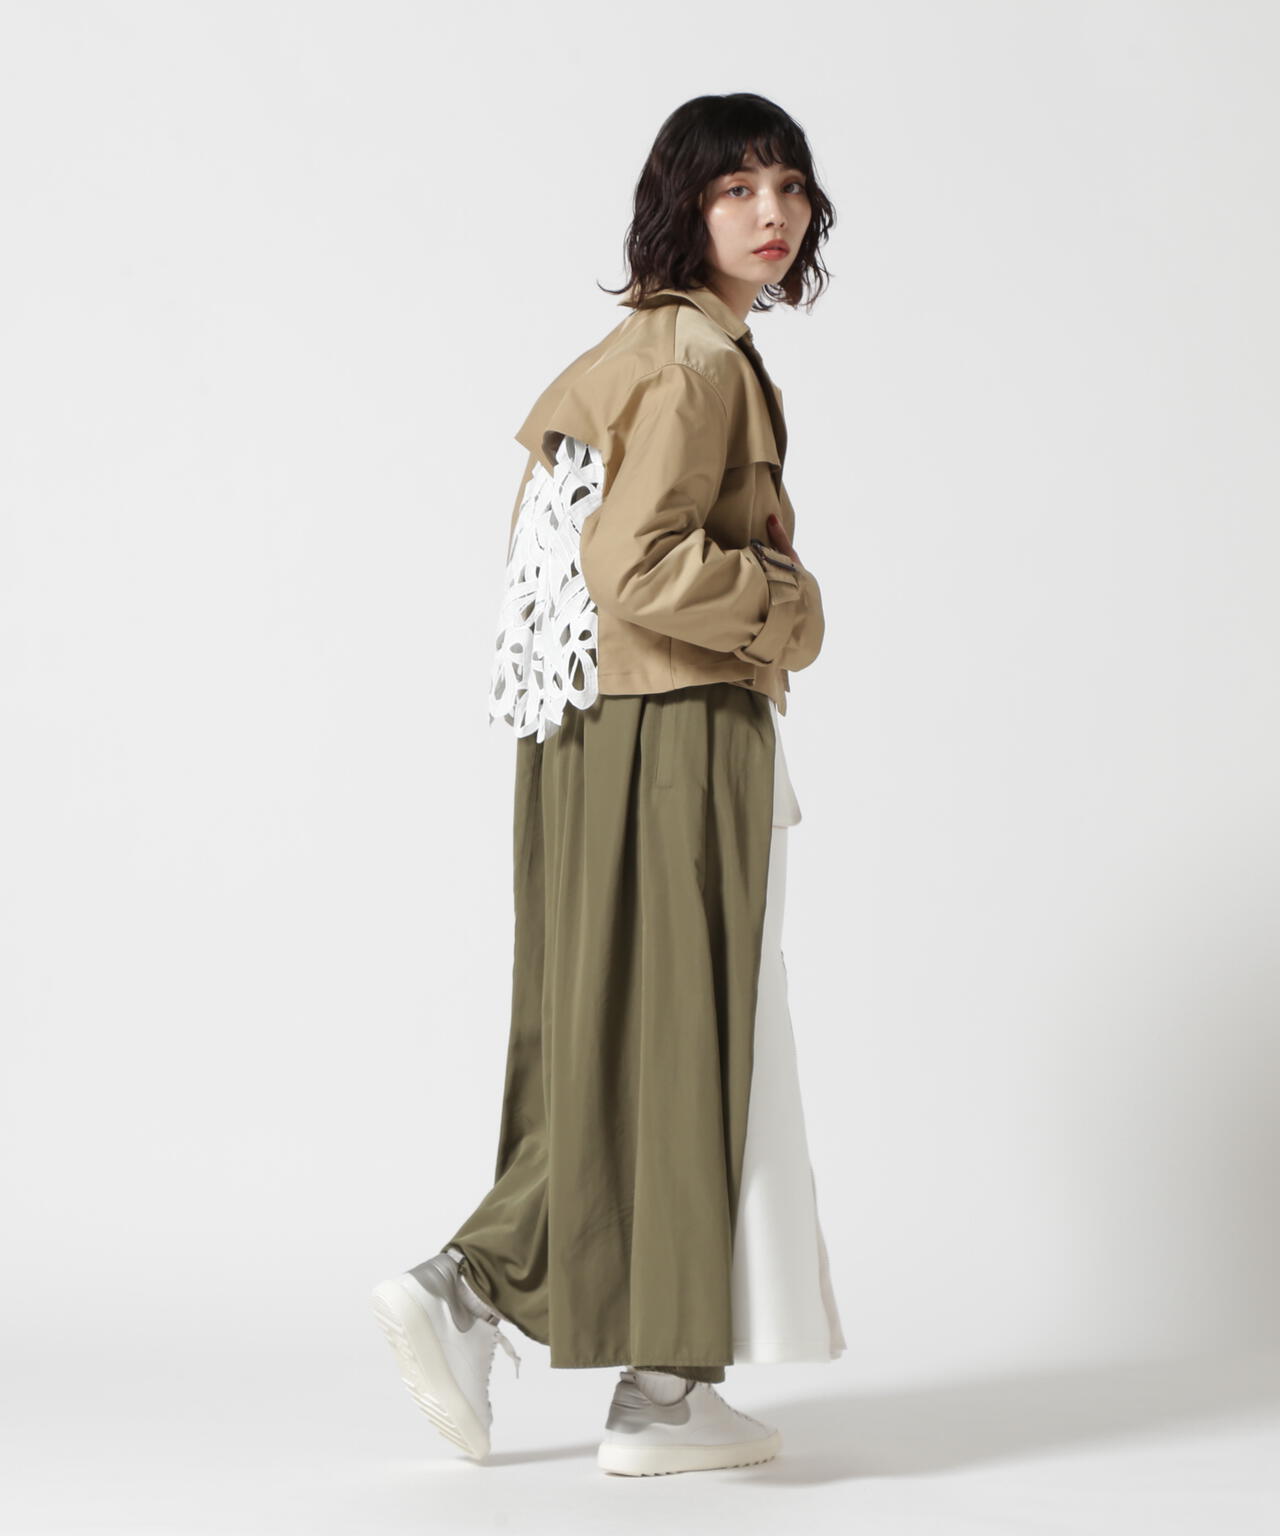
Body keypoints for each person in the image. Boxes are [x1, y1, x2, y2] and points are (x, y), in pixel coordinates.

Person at [371, 91, 844, 1478]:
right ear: (683, 209)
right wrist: (789, 608)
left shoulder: (636, 350)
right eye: (736, 189)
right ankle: (519, 1307)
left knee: (617, 1037)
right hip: (670, 726)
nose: (771, 212)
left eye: (788, 186)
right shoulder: (698, 363)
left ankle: (651, 1378)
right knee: (685, 1039)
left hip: (586, 729)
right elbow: (632, 565)